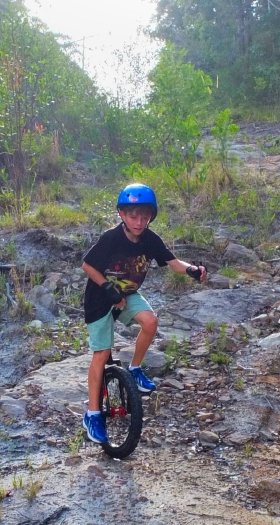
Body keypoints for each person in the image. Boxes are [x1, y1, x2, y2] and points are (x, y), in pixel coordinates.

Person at [81, 183, 207, 444]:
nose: (139, 222)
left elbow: (173, 263)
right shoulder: (111, 238)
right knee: (102, 354)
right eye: (133, 216)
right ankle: (93, 414)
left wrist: (192, 270)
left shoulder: (150, 239)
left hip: (126, 296)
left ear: (151, 216)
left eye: (144, 216)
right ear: (122, 215)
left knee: (150, 321)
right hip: (100, 300)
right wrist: (106, 287)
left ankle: (135, 368)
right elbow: (87, 265)